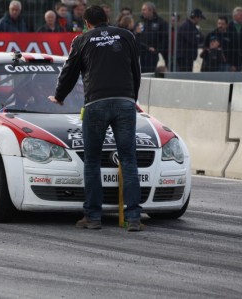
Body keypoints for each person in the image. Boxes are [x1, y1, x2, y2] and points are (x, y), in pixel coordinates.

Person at [48, 5, 143, 232]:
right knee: (129, 160)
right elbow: (136, 70)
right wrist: (131, 98)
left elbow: (69, 71)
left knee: (92, 161)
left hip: (96, 104)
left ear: (87, 23)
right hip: (125, 102)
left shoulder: (82, 40)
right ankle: (133, 218)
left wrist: (60, 96)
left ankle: (93, 217)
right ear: (107, 18)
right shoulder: (126, 35)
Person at [135, 2, 169, 73]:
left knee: (149, 73)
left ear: (151, 10)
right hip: (140, 53)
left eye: (144, 10)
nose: (142, 12)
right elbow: (135, 36)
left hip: (151, 55)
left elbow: (165, 38)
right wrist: (136, 33)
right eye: (142, 10)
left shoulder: (161, 22)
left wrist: (157, 49)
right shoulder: (140, 22)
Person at [228, 6, 242, 72]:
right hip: (230, 58)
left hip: (241, 58)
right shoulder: (228, 26)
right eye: (240, 15)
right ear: (234, 16)